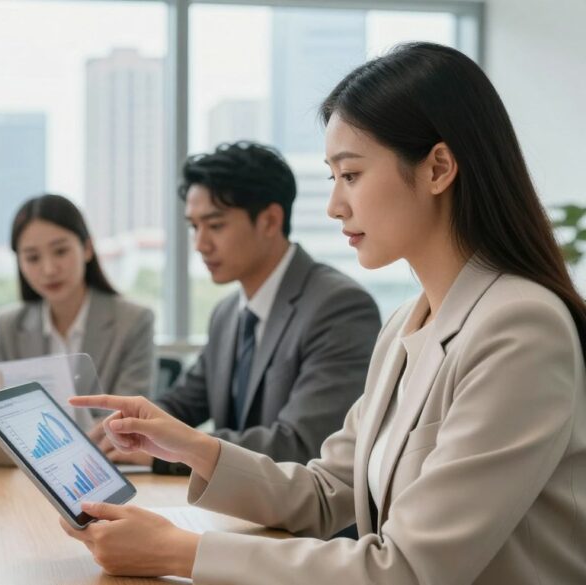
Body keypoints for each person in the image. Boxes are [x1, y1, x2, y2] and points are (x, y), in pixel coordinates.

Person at [61, 42, 586, 584]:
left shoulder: (521, 328)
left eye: (351, 175)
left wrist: (180, 553)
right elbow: (324, 490)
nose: (335, 205)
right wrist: (189, 444)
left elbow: (407, 568)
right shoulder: (408, 322)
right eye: (332, 177)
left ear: (439, 167)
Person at [101, 142, 380, 474]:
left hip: (309, 524)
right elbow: (185, 402)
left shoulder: (338, 307)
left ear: (270, 221)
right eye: (194, 226)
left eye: (215, 225)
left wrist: (165, 451)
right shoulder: (228, 313)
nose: (200, 244)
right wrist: (130, 427)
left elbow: (303, 445)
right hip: (238, 513)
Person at [0, 194, 155, 407]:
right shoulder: (8, 326)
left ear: (87, 248)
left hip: (104, 441)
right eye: (32, 258)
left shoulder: (134, 321)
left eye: (60, 251)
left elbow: (129, 415)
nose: (49, 269)